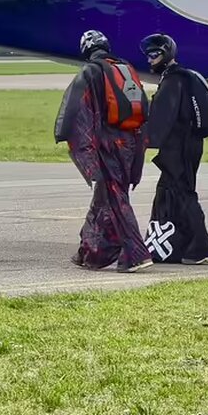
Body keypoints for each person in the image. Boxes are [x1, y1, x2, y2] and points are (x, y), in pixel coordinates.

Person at [55, 30, 152, 273]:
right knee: (105, 199)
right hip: (130, 144)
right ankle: (90, 252)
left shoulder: (91, 71)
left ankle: (137, 255)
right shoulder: (125, 68)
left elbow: (77, 112)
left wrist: (80, 147)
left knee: (115, 199)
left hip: (108, 146)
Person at [141, 33, 208, 265]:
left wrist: (144, 140)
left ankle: (203, 247)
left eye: (154, 55)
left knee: (183, 193)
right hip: (189, 145)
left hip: (179, 148)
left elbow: (161, 118)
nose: (150, 60)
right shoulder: (183, 78)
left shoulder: (173, 81)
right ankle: (174, 246)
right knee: (171, 192)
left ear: (166, 54)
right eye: (149, 55)